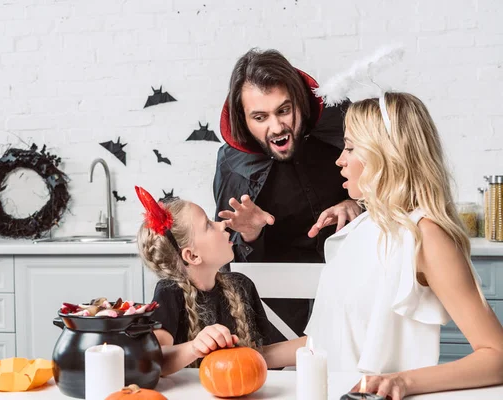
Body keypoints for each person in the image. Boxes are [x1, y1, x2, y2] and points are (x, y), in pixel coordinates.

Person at [262, 92, 503, 399]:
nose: (340, 159)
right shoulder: (361, 227)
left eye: (350, 147)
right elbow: (331, 341)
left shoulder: (426, 236)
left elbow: (496, 356)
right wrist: (259, 354)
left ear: (386, 155)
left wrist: (404, 381)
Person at [214, 48, 362, 339]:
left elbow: (393, 188)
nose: (277, 127)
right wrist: (249, 234)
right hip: (278, 306)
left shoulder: (343, 126)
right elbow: (226, 261)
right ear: (243, 120)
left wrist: (356, 203)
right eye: (260, 117)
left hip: (353, 286)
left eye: (284, 110)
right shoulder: (233, 166)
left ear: (301, 103)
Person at [134, 186, 274, 376]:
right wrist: (194, 347)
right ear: (192, 256)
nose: (222, 224)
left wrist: (321, 340)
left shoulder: (242, 285)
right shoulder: (170, 291)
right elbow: (155, 359)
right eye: (208, 225)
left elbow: (265, 355)